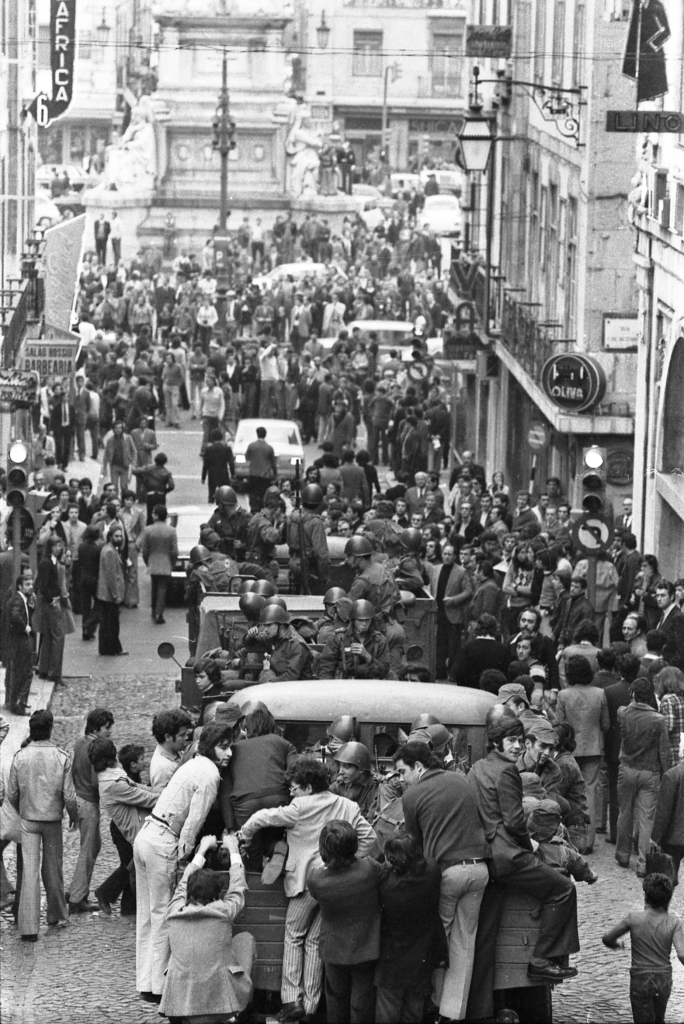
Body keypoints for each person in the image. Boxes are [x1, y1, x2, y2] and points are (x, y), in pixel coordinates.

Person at [238, 756, 377, 1024]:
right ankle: (311, 1006)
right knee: (314, 941)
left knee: (293, 935)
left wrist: (243, 835)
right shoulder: (348, 805)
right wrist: (345, 862)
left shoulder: (298, 807)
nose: (291, 792)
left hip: (304, 884)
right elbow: (370, 839)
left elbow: (260, 817)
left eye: (295, 787)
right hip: (334, 881)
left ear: (308, 787)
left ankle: (292, 1000)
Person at [466, 715, 580, 1021]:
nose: (518, 746)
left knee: (485, 937)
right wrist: (528, 842)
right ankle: (542, 959)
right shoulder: (507, 772)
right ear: (496, 743)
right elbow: (516, 821)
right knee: (563, 889)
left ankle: (480, 1010)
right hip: (510, 856)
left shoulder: (477, 768)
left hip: (487, 856)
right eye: (512, 741)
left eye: (520, 740)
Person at [134, 720, 234, 1004]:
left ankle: (146, 980)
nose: (228, 754)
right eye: (223, 748)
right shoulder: (210, 774)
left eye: (229, 748)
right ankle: (158, 985)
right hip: (163, 841)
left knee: (147, 914)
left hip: (146, 836)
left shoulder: (192, 763)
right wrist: (187, 856)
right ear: (210, 747)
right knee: (165, 913)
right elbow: (193, 824)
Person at [395, 740, 490, 1022]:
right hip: (479, 871)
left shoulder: (412, 795)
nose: (401, 779)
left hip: (448, 873)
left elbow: (414, 842)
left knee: (438, 941)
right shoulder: (461, 780)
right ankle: (453, 1013)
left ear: (419, 767)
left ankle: (433, 1006)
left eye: (402, 772)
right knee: (465, 942)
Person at [160, 832, 256, 1023]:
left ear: (190, 894)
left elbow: (182, 885)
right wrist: (234, 848)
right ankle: (234, 1014)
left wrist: (202, 849)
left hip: (179, 1004)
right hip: (219, 1005)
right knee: (245, 940)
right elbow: (237, 887)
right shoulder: (223, 911)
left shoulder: (174, 912)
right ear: (215, 896)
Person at [7, 709, 78, 940]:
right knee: (53, 868)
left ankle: (29, 927)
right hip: (53, 819)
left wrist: (23, 809)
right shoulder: (61, 757)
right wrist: (73, 816)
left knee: (29, 871)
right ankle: (56, 915)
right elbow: (69, 796)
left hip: (28, 819)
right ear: (50, 728)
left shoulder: (20, 756)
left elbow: (12, 792)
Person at [308, 820, 383, 1024]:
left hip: (334, 949)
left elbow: (315, 895)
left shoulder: (316, 878)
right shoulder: (369, 868)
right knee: (362, 1001)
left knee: (336, 999)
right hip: (365, 946)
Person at [374, 833, 446, 1024]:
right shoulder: (432, 871)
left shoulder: (387, 886)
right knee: (414, 1007)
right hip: (422, 953)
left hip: (392, 957)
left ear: (393, 861)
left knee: (388, 1008)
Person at [602, 873, 684, 1024]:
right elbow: (682, 954)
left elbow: (607, 938)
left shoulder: (633, 918)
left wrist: (617, 944)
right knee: (659, 1019)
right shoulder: (674, 922)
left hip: (641, 980)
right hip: (663, 980)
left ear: (646, 895)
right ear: (669, 898)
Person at [89, 738, 157, 916]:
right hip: (130, 830)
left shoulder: (113, 774)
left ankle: (125, 905)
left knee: (131, 865)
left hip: (131, 826)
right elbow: (142, 796)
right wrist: (167, 794)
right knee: (131, 866)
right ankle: (109, 895)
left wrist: (158, 790)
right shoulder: (113, 783)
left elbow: (138, 788)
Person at [615, 677, 670, 876]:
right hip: (650, 772)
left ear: (633, 693)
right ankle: (643, 863)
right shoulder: (658, 720)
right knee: (647, 818)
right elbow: (664, 752)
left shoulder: (623, 713)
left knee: (625, 813)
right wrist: (666, 774)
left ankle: (622, 854)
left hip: (627, 769)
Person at [555, 654, 609, 852]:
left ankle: (571, 839)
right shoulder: (600, 693)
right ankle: (589, 842)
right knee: (590, 793)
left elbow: (559, 724)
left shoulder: (563, 695)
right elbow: (605, 724)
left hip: (570, 750)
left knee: (569, 795)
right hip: (594, 747)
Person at [67, 707, 114, 914]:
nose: (110, 731)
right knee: (88, 850)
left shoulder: (80, 743)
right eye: (107, 727)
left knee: (93, 847)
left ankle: (76, 889)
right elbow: (97, 782)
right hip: (89, 803)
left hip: (78, 799)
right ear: (96, 728)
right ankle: (77, 897)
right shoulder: (96, 749)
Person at [604, 653, 641, 844]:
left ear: (618, 670)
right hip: (637, 749)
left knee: (614, 791)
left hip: (614, 747)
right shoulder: (644, 690)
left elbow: (606, 721)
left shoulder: (609, 691)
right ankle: (633, 834)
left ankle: (616, 833)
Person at [318, 598, 391, 680]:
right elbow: (326, 668)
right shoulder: (339, 638)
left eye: (367, 620)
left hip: (370, 686)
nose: (364, 624)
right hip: (343, 686)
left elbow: (385, 670)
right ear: (353, 620)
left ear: (372, 620)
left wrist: (367, 656)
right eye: (360, 620)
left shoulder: (379, 640)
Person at [287, 484, 331, 595]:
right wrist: (324, 575)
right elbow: (321, 553)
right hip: (308, 567)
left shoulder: (292, 516)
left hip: (293, 562)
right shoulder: (316, 522)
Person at [35, 535, 67, 686]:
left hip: (50, 602)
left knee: (48, 636)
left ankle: (44, 669)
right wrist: (52, 601)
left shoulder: (51, 562)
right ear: (50, 547)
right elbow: (43, 584)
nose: (58, 548)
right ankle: (55, 673)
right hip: (52, 602)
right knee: (58, 637)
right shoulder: (47, 563)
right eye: (56, 545)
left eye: (60, 545)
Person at [139, 504, 179, 625]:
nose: (151, 515)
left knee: (154, 587)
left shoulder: (148, 530)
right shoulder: (171, 531)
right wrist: (172, 562)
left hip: (152, 561)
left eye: (153, 513)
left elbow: (144, 550)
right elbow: (174, 551)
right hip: (166, 562)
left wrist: (147, 562)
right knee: (162, 588)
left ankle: (153, 610)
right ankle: (159, 613)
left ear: (156, 515)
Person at [453, 613, 509, 690]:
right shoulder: (503, 649)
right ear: (495, 629)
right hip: (494, 695)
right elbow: (505, 677)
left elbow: (460, 675)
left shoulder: (467, 647)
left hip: (472, 694)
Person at [5, 575, 35, 715]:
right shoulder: (17, 599)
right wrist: (25, 628)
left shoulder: (22, 599)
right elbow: (15, 616)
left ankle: (16, 703)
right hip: (20, 641)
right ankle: (19, 704)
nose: (31, 587)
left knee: (19, 673)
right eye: (27, 584)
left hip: (18, 642)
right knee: (26, 673)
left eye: (31, 584)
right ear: (20, 587)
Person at [97, 523, 127, 656]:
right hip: (109, 594)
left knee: (107, 622)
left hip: (106, 594)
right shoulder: (109, 551)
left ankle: (107, 648)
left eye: (121, 536)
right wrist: (116, 595)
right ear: (110, 536)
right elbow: (111, 576)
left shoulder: (110, 549)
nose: (119, 538)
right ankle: (112, 648)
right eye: (116, 536)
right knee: (112, 624)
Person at [149, 709, 193, 794]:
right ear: (168, 737)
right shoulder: (162, 769)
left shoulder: (174, 750)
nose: (186, 738)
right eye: (182, 735)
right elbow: (163, 800)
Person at [245, 425, 277, 513]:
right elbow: (273, 463)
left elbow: (247, 457)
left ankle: (253, 508)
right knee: (263, 493)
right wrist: (275, 475)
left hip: (253, 474)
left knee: (253, 492)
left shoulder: (251, 446)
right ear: (265, 435)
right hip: (265, 475)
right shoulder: (269, 448)